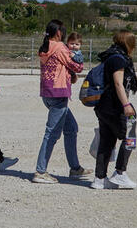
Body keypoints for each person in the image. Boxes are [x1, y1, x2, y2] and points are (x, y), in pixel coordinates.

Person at [33, 19, 91, 184]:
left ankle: (75, 168)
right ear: (59, 32)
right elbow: (77, 67)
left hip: (47, 93)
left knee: (71, 128)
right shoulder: (59, 47)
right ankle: (40, 171)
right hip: (58, 93)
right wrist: (77, 61)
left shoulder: (44, 47)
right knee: (51, 133)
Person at [91, 31, 137, 189]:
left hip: (102, 107)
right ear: (129, 44)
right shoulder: (119, 59)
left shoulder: (109, 56)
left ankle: (99, 178)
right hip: (115, 106)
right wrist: (126, 105)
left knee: (106, 141)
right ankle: (120, 173)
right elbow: (119, 84)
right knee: (130, 137)